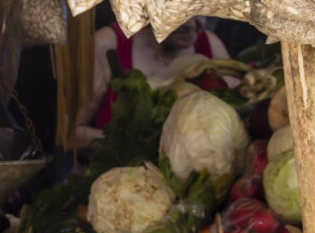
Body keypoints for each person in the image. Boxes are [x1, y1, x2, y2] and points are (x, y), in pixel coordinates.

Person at [74, 15, 229, 150]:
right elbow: (70, 134)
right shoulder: (107, 44)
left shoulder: (211, 46)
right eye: (176, 10)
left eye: (198, 9)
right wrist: (133, 146)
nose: (189, 24)